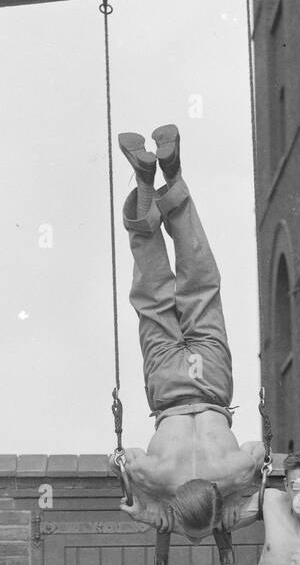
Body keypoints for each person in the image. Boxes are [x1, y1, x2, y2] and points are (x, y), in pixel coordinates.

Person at [113, 124, 267, 540]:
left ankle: (172, 179)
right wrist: (152, 509)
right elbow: (125, 459)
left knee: (201, 285)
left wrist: (236, 506)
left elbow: (260, 453)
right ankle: (147, 185)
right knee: (151, 295)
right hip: (168, 387)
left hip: (210, 379)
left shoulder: (234, 472)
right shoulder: (158, 475)